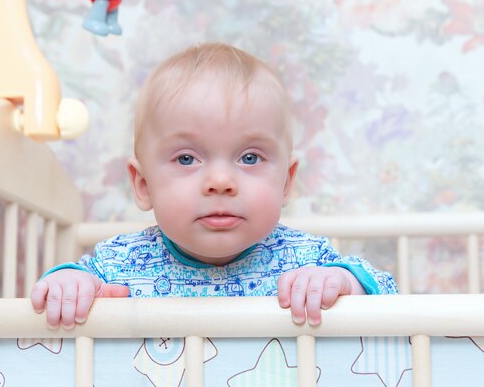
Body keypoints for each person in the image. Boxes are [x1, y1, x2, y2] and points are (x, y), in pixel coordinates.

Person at [31, 42, 397, 330]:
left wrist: (345, 283)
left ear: (286, 182)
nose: (220, 182)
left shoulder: (304, 258)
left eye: (249, 158)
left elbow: (389, 295)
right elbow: (71, 283)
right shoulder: (122, 263)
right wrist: (68, 283)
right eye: (187, 159)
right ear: (142, 184)